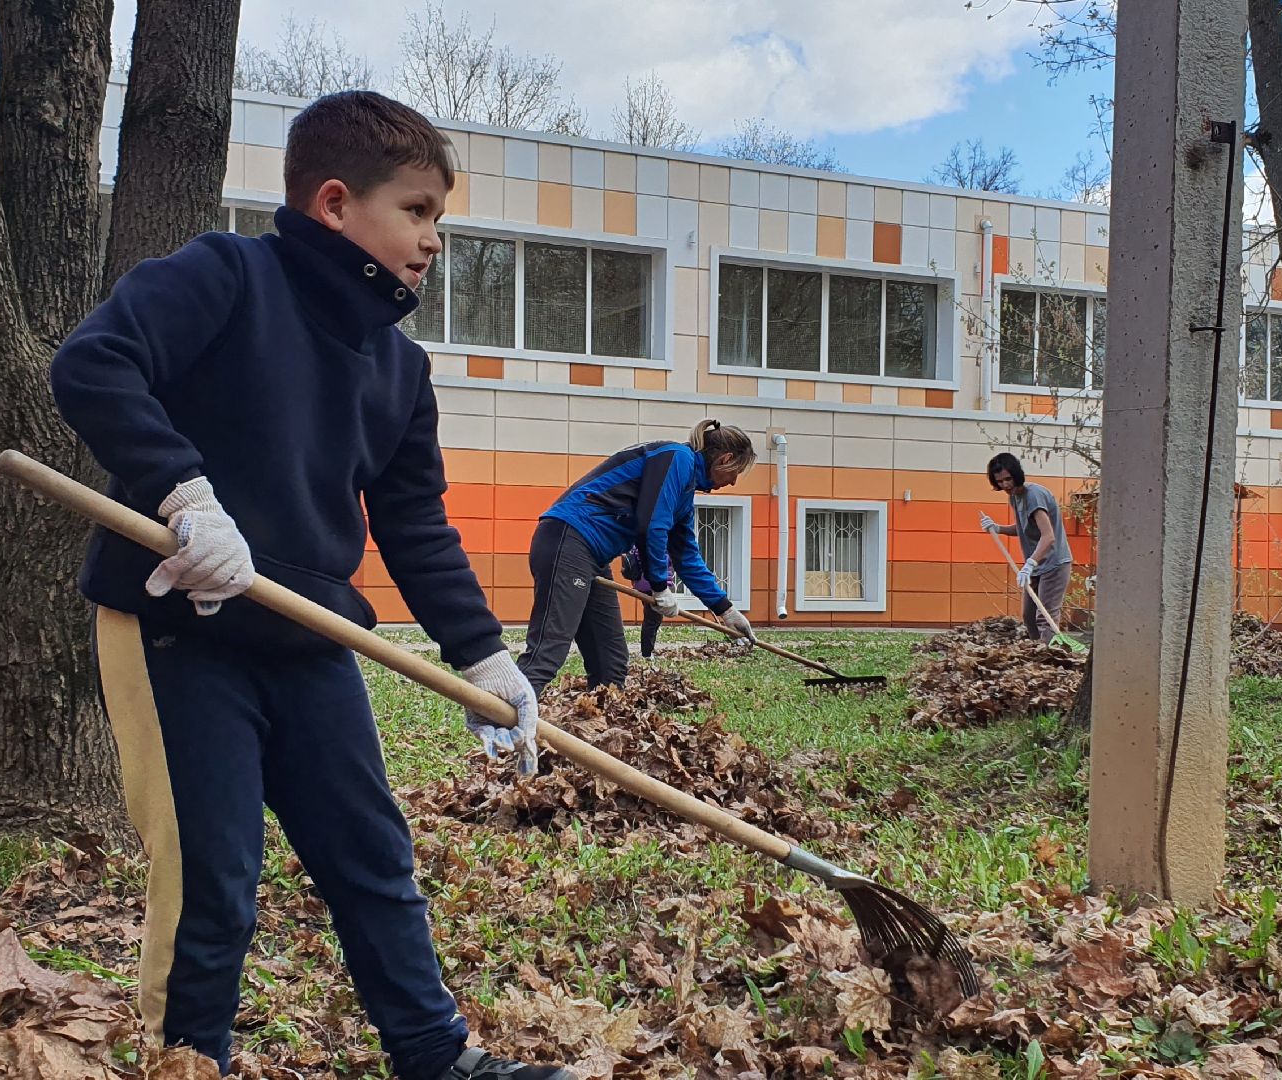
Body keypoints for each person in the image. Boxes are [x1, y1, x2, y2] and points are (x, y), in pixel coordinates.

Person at [48, 90, 569, 1080]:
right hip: (179, 626)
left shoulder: (397, 370)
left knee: (371, 855)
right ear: (335, 204)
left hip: (307, 639)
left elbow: (414, 526)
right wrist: (187, 496)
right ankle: (186, 1063)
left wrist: (485, 656)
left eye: (438, 219)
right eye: (416, 212)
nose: (433, 240)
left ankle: (435, 1058)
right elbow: (95, 362)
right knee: (215, 881)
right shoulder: (227, 276)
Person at [520, 421, 757, 689]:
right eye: (735, 472)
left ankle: (600, 728)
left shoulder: (684, 491)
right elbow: (652, 524)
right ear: (725, 459)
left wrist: (726, 610)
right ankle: (498, 722)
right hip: (568, 539)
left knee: (610, 661)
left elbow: (687, 557)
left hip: (592, 557)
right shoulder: (676, 457)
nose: (734, 481)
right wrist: (659, 587)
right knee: (547, 651)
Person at [979, 452, 1074, 643]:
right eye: (999, 481)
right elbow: (1024, 528)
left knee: (1045, 617)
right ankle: (1037, 652)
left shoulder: (1034, 496)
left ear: (1017, 474)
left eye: (1008, 478)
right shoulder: (1015, 497)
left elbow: (1048, 537)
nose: (1005, 485)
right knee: (1029, 616)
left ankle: (1050, 659)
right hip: (1037, 566)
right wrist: (998, 528)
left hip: (1054, 564)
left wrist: (1030, 563)